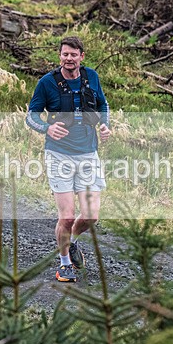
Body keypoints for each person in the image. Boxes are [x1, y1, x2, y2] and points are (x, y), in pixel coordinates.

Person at [26, 36, 111, 282]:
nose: (69, 58)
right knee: (67, 216)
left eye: (74, 54)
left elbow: (103, 105)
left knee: (91, 216)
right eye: (65, 54)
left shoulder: (91, 77)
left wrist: (104, 126)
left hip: (88, 154)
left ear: (81, 57)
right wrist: (46, 129)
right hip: (59, 154)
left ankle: (71, 242)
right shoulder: (47, 83)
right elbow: (31, 116)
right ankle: (64, 264)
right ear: (60, 56)